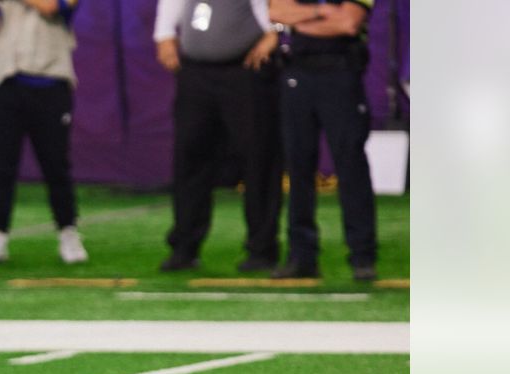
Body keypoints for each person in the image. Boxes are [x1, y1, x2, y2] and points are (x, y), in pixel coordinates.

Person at [152, 0, 283, 273]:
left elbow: (277, 7)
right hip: (195, 71)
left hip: (246, 68)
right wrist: (163, 33)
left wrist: (275, 31)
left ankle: (262, 249)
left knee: (259, 159)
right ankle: (184, 247)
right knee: (190, 159)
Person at [0, 0, 86, 267]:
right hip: (2, 78)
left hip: (51, 79)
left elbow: (51, 6)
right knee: (0, 167)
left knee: (56, 164)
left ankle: (68, 232)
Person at [268, 0, 378, 281]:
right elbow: (275, 12)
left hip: (340, 74)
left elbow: (347, 23)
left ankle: (362, 255)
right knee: (298, 166)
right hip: (297, 73)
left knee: (350, 164)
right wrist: (320, 12)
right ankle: (301, 256)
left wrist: (299, 20)